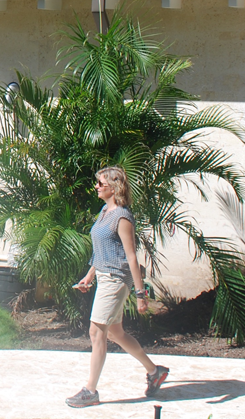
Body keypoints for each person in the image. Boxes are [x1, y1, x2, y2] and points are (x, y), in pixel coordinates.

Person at [65, 166, 167, 408]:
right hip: (103, 276)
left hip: (116, 279)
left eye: (101, 183)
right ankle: (155, 372)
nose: (97, 187)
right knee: (115, 333)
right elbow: (103, 250)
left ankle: (90, 391)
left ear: (115, 186)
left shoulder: (122, 216)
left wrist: (141, 294)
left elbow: (131, 257)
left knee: (96, 331)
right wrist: (89, 276)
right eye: (98, 183)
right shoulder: (104, 212)